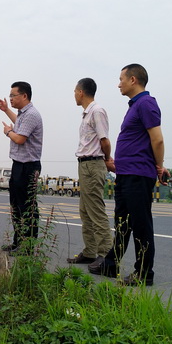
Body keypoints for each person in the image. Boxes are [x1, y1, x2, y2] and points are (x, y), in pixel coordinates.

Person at [88, 64, 170, 286]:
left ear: (133, 80)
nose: (119, 84)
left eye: (121, 79)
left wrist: (159, 166)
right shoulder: (135, 105)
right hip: (126, 173)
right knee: (123, 223)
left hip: (138, 175)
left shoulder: (146, 103)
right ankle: (111, 264)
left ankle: (144, 273)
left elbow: (157, 139)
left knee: (141, 224)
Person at [67, 78, 113, 265]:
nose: (74, 95)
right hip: (85, 165)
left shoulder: (96, 111)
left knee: (95, 210)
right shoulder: (87, 114)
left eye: (75, 91)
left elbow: (105, 141)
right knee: (85, 211)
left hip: (93, 165)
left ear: (81, 92)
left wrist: (107, 159)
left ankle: (106, 255)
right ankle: (90, 252)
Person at [0, 81, 43, 254]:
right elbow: (20, 125)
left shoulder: (31, 114)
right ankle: (18, 242)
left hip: (28, 167)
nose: (10, 99)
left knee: (27, 207)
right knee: (16, 206)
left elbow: (20, 138)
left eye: (13, 95)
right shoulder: (24, 114)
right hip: (19, 165)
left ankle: (28, 246)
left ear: (24, 96)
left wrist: (8, 132)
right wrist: (6, 110)